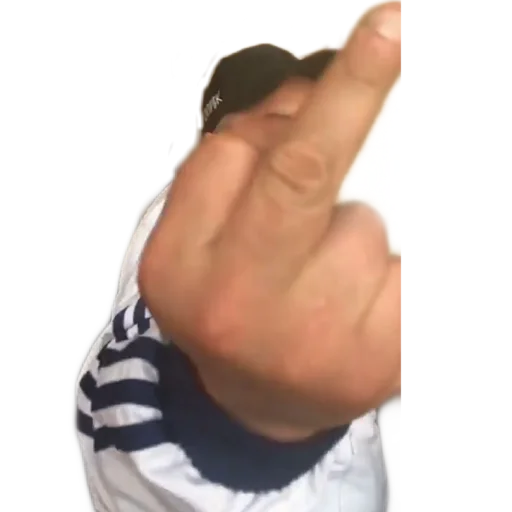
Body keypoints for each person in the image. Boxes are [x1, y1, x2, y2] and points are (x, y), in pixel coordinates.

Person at [74, 1, 404, 511]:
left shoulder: (332, 236)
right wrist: (239, 423)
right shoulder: (180, 234)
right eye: (282, 121)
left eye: (319, 119)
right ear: (215, 143)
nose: (312, 143)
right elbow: (121, 415)